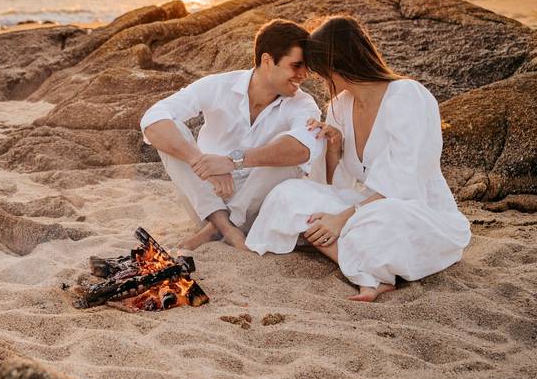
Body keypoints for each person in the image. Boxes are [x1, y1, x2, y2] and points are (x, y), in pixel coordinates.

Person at [245, 16, 471, 302]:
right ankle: (363, 269)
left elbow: (403, 184)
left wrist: (340, 219)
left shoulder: (407, 96)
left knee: (384, 220)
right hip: (360, 204)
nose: (324, 80)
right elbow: (335, 184)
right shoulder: (340, 106)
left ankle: (358, 265)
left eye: (324, 72)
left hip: (413, 209)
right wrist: (333, 149)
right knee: (287, 194)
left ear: (340, 64)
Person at [140, 19, 324, 251]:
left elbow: (303, 149)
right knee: (169, 131)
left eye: (306, 67)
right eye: (296, 66)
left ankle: (223, 227)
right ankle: (221, 225)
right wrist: (203, 163)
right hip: (207, 201)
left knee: (291, 158)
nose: (304, 74)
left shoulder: (303, 104)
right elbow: (153, 118)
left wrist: (231, 162)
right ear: (267, 61)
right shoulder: (218, 85)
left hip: (254, 211)